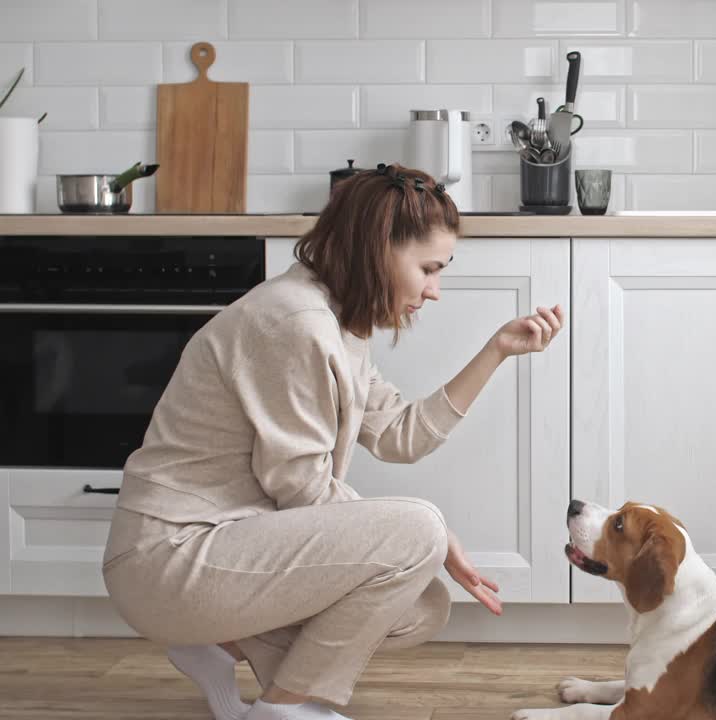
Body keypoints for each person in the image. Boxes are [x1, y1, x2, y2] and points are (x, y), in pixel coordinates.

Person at [100, 163, 564, 720]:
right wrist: (432, 537)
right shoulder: (296, 323)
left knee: (422, 606)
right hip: (167, 558)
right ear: (378, 250)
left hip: (225, 544)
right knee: (418, 530)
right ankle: (288, 706)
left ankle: (222, 643)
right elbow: (300, 487)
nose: (434, 290)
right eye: (428, 269)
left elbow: (400, 435)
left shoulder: (340, 322)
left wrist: (496, 351)